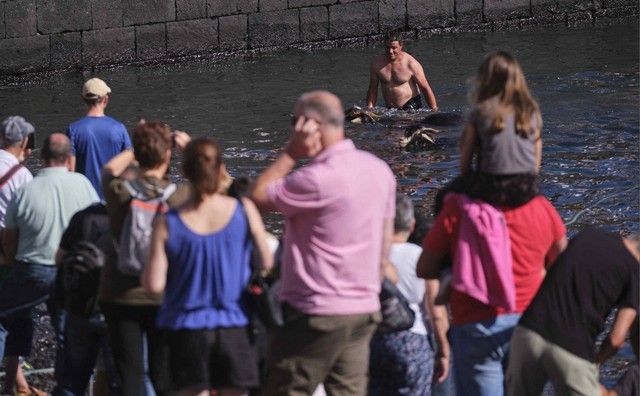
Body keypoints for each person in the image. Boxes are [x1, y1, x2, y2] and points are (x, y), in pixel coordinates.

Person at [251, 90, 396, 395]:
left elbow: (257, 197)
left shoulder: (315, 179)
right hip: (364, 309)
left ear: (310, 125)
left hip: (316, 313)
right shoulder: (379, 171)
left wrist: (292, 151)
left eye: (294, 121)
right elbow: (384, 246)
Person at [142, 137, 273, 396]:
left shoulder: (168, 222)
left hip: (185, 326)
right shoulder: (243, 210)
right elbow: (267, 261)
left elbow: (154, 284)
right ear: (220, 168)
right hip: (234, 323)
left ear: (185, 172)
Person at [0, 133, 98, 389]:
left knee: (7, 318)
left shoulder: (25, 189)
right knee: (67, 332)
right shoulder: (84, 185)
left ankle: (11, 382)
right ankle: (69, 387)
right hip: (71, 271)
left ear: (42, 158)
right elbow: (96, 224)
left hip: (31, 271)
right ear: (68, 159)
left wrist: (9, 260)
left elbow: (10, 242)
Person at [100, 121, 190, 395]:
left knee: (130, 375)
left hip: (119, 293)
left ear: (138, 156)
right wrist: (189, 148)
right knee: (165, 376)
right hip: (164, 293)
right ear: (168, 155)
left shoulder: (120, 193)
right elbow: (215, 180)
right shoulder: (181, 198)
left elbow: (108, 170)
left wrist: (132, 149)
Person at [505, 228, 639, 396]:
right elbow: (616, 339)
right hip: (572, 348)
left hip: (528, 331)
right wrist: (596, 362)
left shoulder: (589, 235)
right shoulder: (635, 271)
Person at [457, 51, 542, 207]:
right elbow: (535, 168)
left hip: (492, 190)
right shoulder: (531, 111)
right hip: (526, 190)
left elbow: (464, 167)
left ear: (485, 80)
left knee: (445, 195)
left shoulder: (480, 111)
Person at [368, 194, 434, 396]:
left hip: (375, 339)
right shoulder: (420, 255)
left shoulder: (370, 255)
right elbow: (434, 309)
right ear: (412, 225)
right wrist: (443, 346)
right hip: (414, 338)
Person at [0, 116, 45, 396]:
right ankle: (13, 386)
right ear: (25, 142)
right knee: (15, 321)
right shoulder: (22, 176)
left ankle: (17, 385)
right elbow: (31, 222)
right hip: (9, 256)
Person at [67, 77, 132, 199]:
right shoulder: (119, 128)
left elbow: (71, 170)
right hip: (113, 201)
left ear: (83, 100)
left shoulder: (73, 130)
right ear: (106, 99)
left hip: (85, 200)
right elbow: (129, 167)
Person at [366, 32, 438, 111]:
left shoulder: (411, 64)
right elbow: (373, 89)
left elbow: (425, 88)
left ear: (401, 46)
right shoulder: (377, 64)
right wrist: (369, 109)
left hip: (411, 108)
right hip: (390, 110)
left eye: (394, 48)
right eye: (387, 47)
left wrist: (434, 109)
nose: (390, 51)